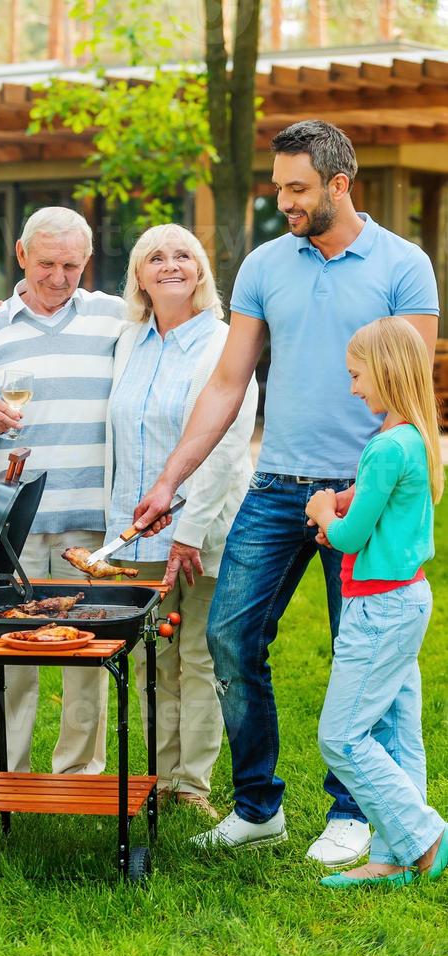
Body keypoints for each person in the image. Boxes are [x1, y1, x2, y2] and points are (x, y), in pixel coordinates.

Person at [132, 120, 439, 866]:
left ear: (340, 184)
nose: (285, 204)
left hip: (362, 491)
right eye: (278, 189)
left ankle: (353, 811)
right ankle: (258, 806)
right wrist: (171, 477)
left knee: (356, 652)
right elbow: (229, 382)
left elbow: (406, 394)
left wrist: (361, 499)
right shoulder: (268, 264)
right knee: (232, 636)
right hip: (275, 489)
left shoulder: (405, 266)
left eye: (298, 190)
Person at [0, 207, 126, 778]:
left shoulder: (115, 319)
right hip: (11, 524)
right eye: (47, 263)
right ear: (22, 256)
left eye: (72, 265)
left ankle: (79, 772)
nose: (58, 277)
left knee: (89, 652)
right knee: (7, 651)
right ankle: (3, 773)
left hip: (89, 523)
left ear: (87, 262)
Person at [105, 225, 257, 818]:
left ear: (201, 272)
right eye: (156, 257)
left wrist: (189, 532)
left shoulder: (225, 342)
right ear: (139, 276)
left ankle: (192, 785)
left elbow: (227, 447)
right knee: (149, 657)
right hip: (134, 532)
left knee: (196, 656)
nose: (171, 265)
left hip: (202, 533)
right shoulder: (127, 342)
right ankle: (158, 777)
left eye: (184, 256)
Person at [305, 316, 447, 888]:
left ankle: (426, 836)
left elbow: (348, 537)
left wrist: (322, 511)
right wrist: (346, 499)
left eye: (356, 375)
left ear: (385, 372)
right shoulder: (413, 437)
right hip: (406, 598)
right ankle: (393, 856)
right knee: (394, 730)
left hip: (379, 608)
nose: (353, 387)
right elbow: (376, 504)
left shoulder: (385, 447)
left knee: (340, 737)